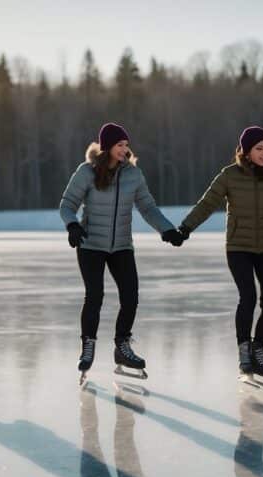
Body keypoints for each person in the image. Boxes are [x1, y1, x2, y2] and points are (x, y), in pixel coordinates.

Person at [60, 122, 184, 382]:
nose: (125, 150)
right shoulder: (87, 172)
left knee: (131, 295)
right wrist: (72, 225)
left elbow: (148, 207)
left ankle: (122, 346)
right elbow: (67, 204)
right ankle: (88, 344)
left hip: (121, 247)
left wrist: (167, 230)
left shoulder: (133, 175)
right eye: (120, 145)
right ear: (106, 147)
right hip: (90, 244)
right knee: (95, 295)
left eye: (127, 145)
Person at [178, 126, 263, 386]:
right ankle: (244, 350)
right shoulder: (229, 175)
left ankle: (259, 350)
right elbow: (208, 203)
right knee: (248, 296)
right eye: (259, 149)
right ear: (246, 151)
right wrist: (185, 228)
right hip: (238, 247)